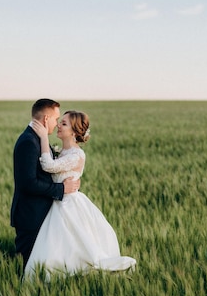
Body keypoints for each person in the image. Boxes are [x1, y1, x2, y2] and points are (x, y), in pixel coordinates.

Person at [24, 110, 136, 280]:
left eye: (64, 124)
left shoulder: (77, 155)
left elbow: (48, 165)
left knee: (76, 246)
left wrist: (43, 137)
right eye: (60, 122)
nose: (58, 126)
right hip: (58, 202)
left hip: (70, 205)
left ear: (74, 132)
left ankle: (77, 275)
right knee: (59, 246)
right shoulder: (62, 152)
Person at [10, 99, 80, 268]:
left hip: (41, 213)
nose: (57, 124)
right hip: (30, 215)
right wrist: (61, 188)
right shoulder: (29, 141)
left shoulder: (36, 138)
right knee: (26, 265)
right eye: (56, 119)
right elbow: (28, 183)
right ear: (46, 119)